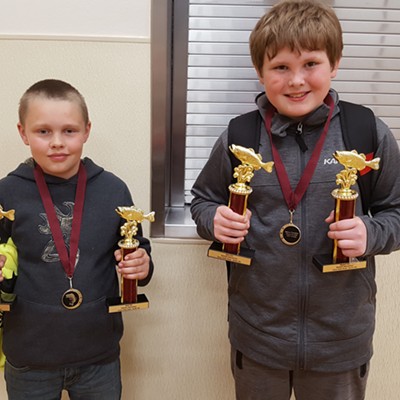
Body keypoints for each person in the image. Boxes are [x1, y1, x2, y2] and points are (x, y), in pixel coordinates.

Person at [190, 1, 400, 399]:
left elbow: (396, 210)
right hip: (258, 337)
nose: (296, 81)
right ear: (260, 72)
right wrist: (213, 220)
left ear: (334, 63)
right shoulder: (240, 135)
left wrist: (371, 233)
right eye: (280, 67)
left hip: (340, 341)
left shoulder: (366, 131)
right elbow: (202, 199)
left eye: (310, 64)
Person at [0, 79, 154, 400]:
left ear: (86, 130)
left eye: (69, 131)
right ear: (23, 133)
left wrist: (143, 264)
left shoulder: (113, 189)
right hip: (30, 357)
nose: (57, 142)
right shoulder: (6, 192)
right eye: (43, 131)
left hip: (98, 355)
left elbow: (138, 250)